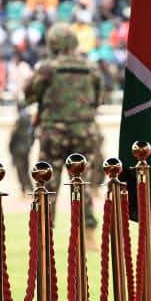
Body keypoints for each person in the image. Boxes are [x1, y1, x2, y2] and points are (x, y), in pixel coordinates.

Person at [23, 23, 104, 237]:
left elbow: (29, 95)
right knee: (83, 182)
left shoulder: (47, 69)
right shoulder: (91, 68)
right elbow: (98, 100)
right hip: (84, 131)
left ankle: (44, 234)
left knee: (47, 183)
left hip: (53, 133)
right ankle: (88, 234)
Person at [8, 102, 34, 194]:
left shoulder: (20, 119)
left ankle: (25, 188)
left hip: (18, 149)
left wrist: (10, 148)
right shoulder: (29, 119)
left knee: (20, 170)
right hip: (26, 148)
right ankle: (29, 188)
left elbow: (14, 135)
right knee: (25, 169)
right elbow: (32, 135)